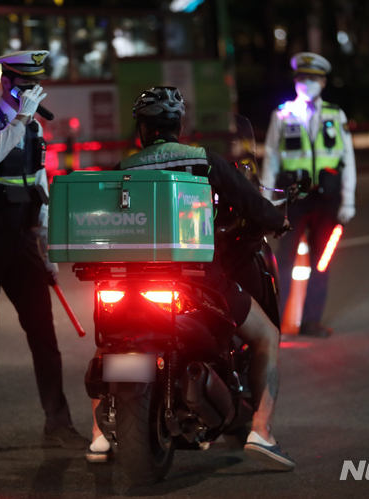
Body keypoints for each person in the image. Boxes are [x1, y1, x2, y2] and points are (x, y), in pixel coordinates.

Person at [86, 87, 296, 471]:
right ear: (178, 126)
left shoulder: (125, 169)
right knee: (267, 335)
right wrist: (278, 220)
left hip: (130, 284)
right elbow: (251, 204)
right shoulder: (204, 161)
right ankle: (262, 431)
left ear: (143, 130)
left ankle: (98, 436)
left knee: (109, 346)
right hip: (198, 281)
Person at [0, 50, 88, 455]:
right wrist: (21, 118)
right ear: (6, 83)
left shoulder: (33, 131)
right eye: (25, 86)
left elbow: (40, 190)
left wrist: (47, 253)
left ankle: (58, 423)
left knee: (44, 335)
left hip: (22, 241)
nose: (32, 93)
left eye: (35, 86)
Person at [261, 52, 357, 338]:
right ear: (295, 82)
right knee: (284, 261)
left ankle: (311, 321)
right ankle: (274, 324)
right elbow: (271, 159)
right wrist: (267, 200)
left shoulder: (335, 115)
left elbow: (347, 158)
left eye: (313, 78)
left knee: (321, 261)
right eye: (303, 78)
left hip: (327, 199)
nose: (307, 83)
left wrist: (349, 198)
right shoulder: (282, 115)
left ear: (324, 82)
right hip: (295, 199)